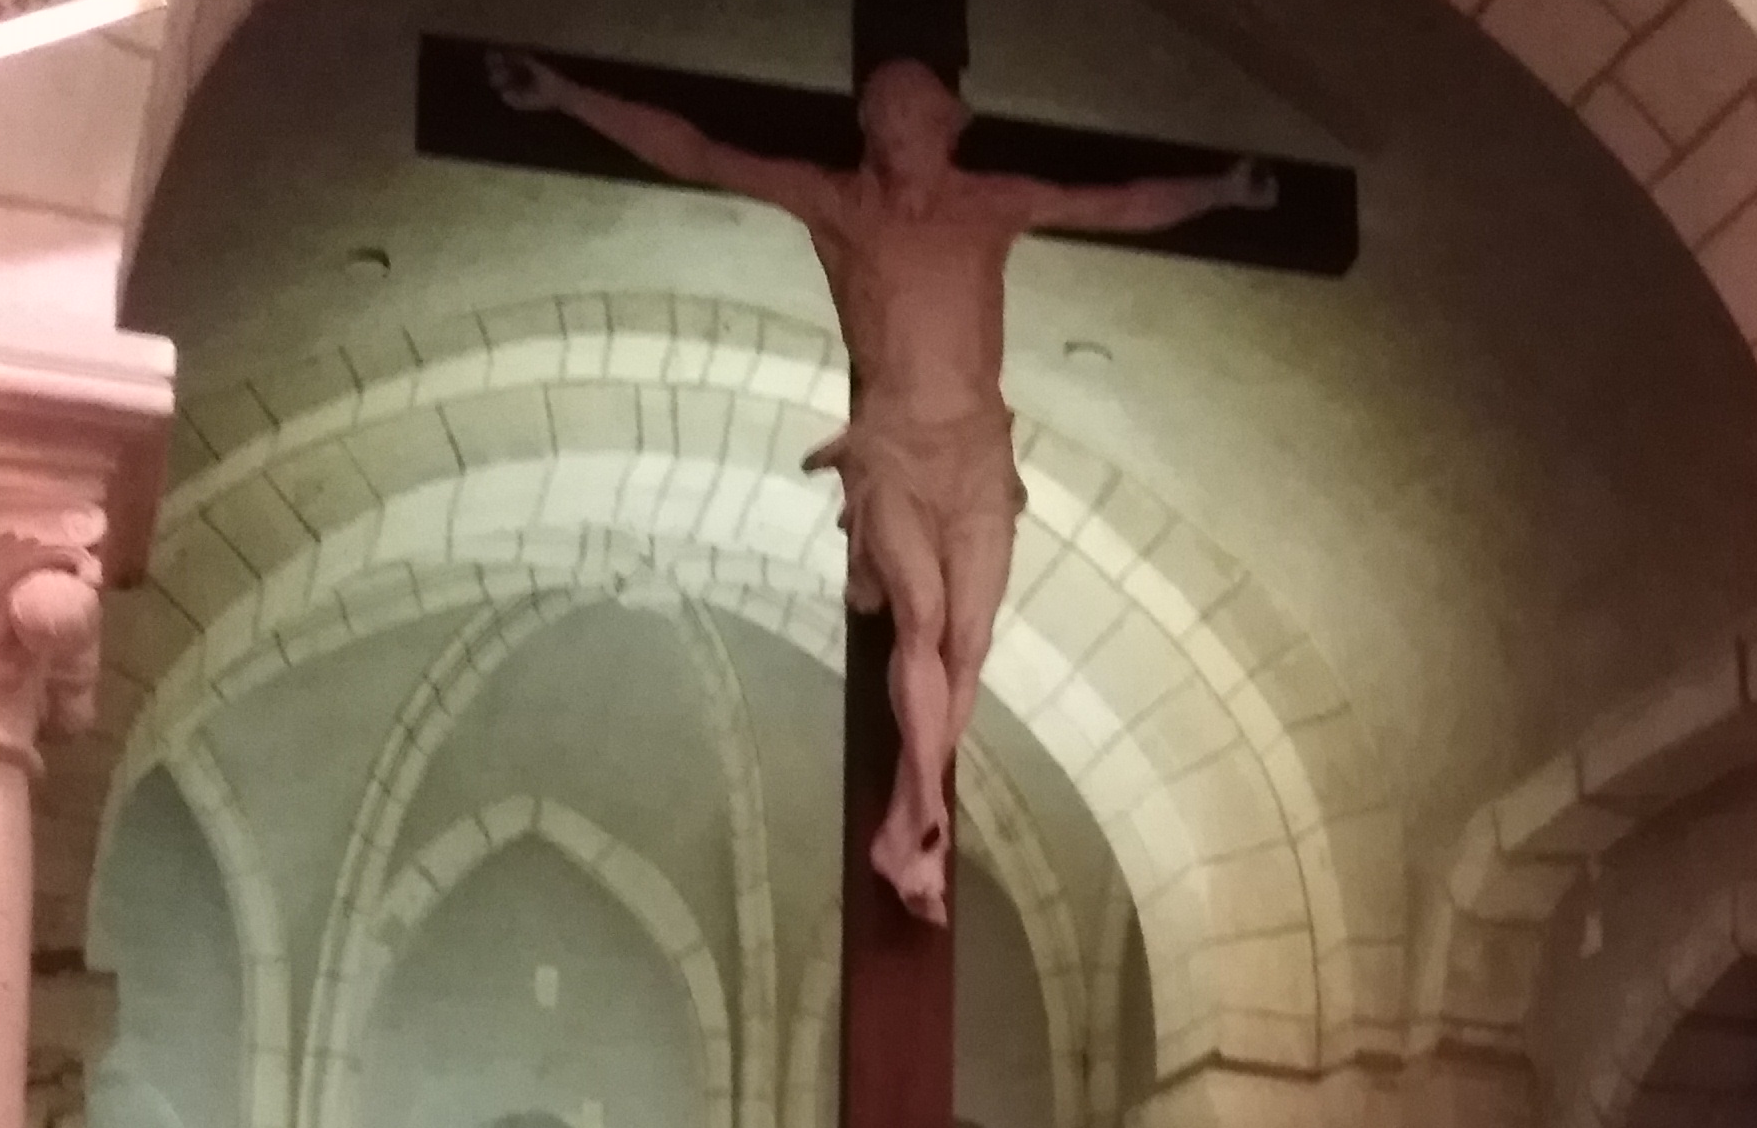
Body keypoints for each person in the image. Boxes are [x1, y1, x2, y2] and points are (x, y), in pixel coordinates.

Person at [491, 44, 1271, 919]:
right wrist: (567, 96)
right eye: (883, 125)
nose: (897, 139)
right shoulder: (841, 205)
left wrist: (1219, 190)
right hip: (893, 448)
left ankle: (909, 826)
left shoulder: (991, 205)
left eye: (913, 123)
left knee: (970, 640)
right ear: (868, 135)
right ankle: (925, 807)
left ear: (946, 129)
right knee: (922, 614)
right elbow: (700, 154)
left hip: (979, 453)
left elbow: (1116, 205)